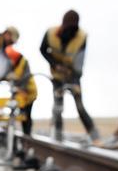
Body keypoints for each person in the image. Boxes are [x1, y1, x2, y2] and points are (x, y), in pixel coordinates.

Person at [39, 9, 99, 142]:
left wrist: (75, 79)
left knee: (80, 106)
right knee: (58, 107)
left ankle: (95, 138)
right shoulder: (50, 33)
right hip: (57, 76)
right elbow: (43, 50)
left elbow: (79, 62)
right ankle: (58, 137)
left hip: (73, 75)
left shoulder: (81, 37)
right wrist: (55, 65)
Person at [5, 45, 38, 135]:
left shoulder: (23, 62)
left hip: (29, 92)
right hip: (19, 93)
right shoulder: (11, 65)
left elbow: (25, 78)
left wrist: (20, 89)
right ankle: (19, 134)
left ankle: (27, 134)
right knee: (21, 114)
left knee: (26, 115)